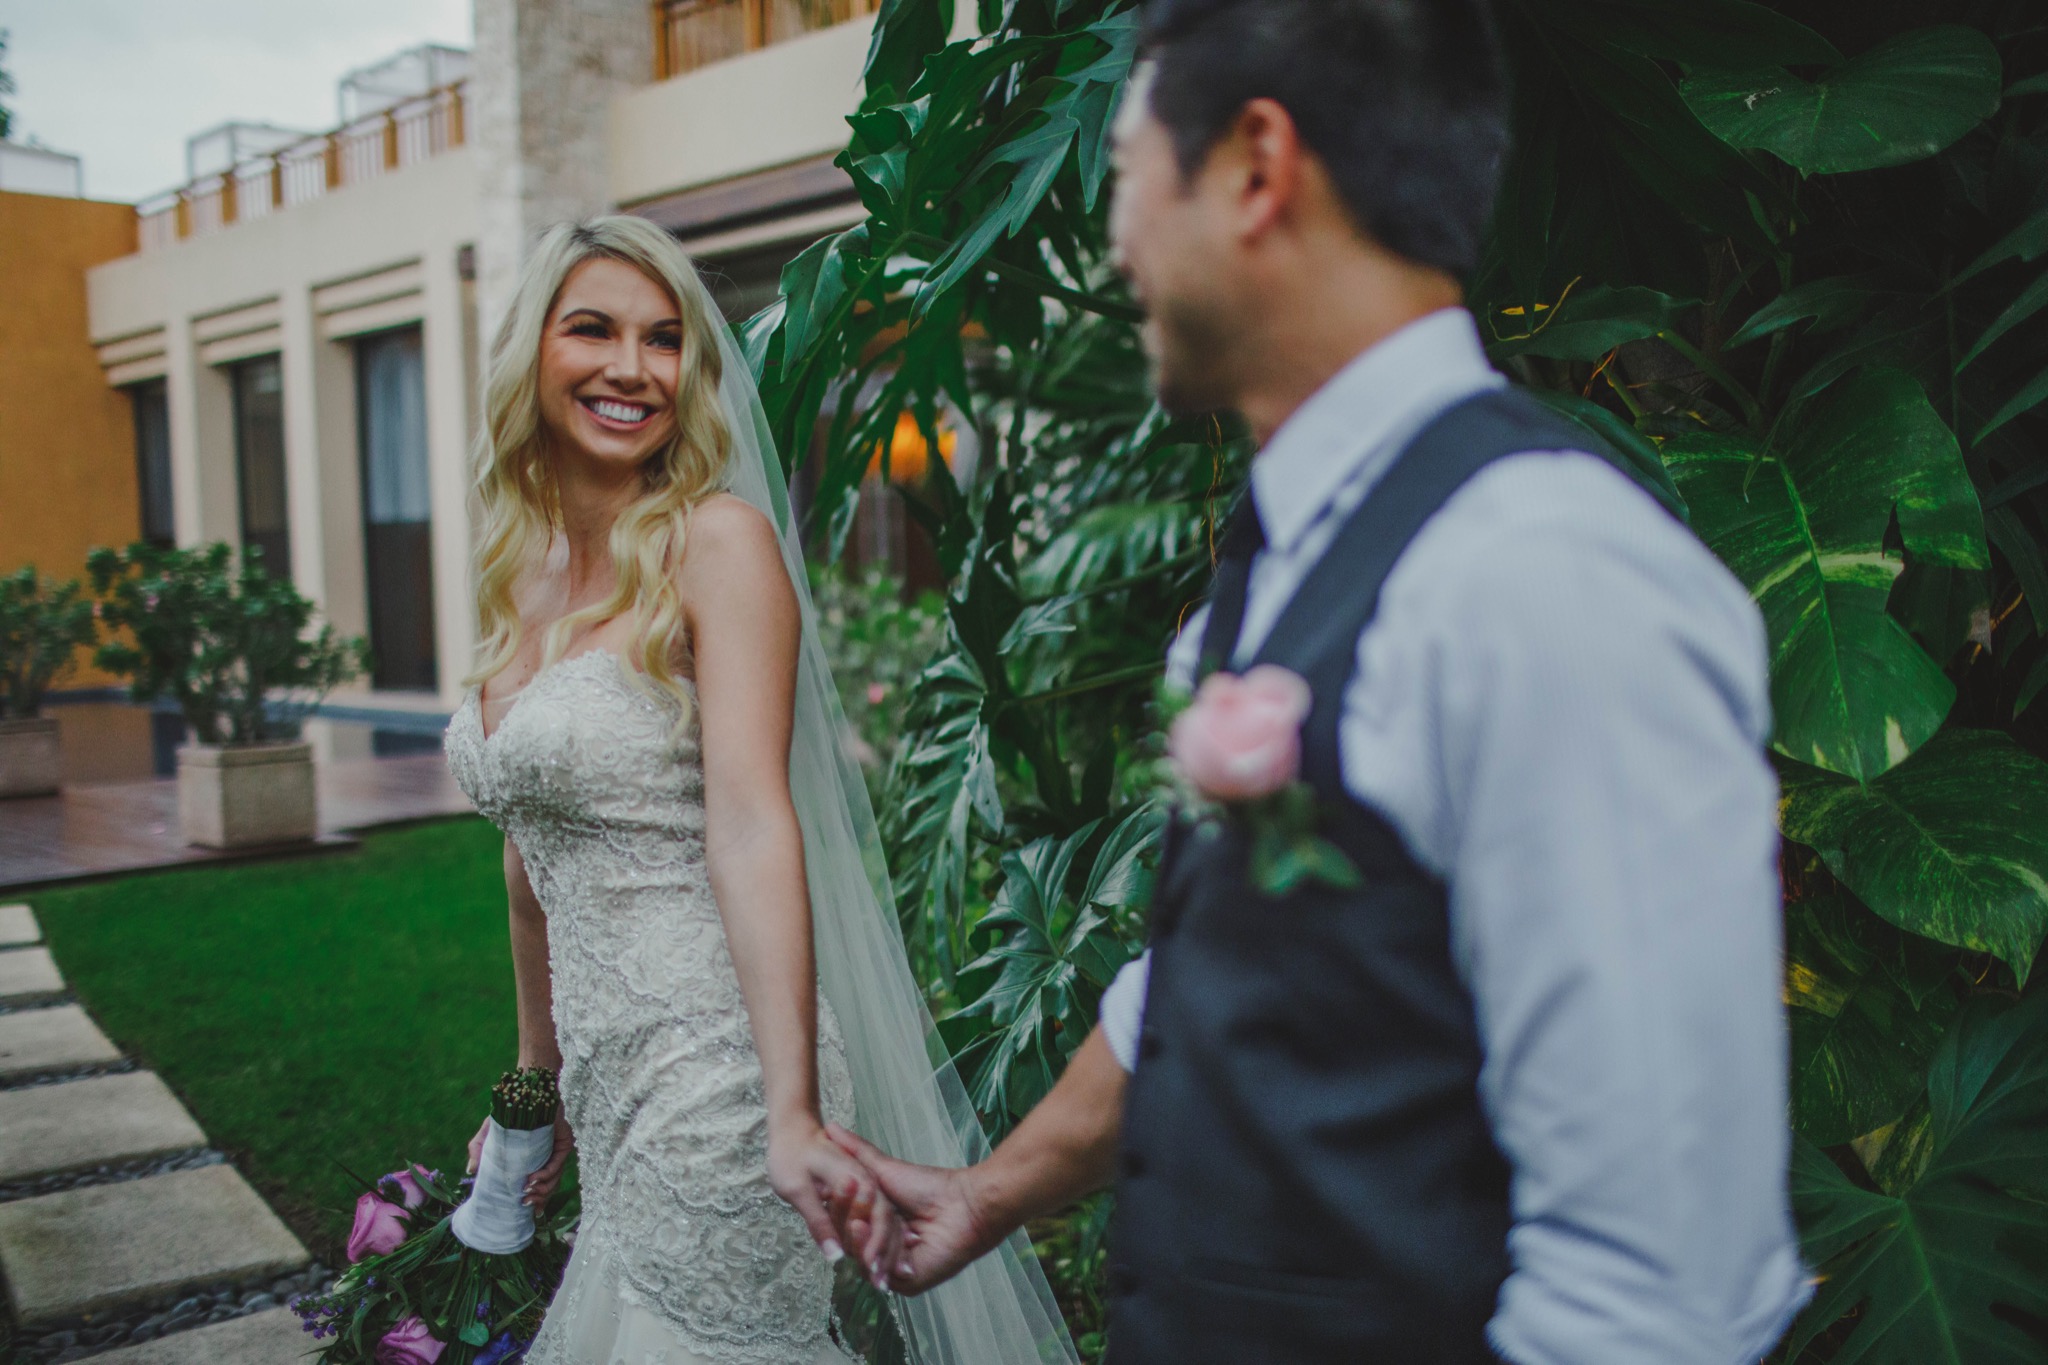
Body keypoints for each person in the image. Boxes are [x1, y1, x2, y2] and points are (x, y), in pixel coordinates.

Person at [826, 2, 1810, 1362]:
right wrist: (989, 1194)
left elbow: (1659, 1291)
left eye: (1123, 173)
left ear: (1255, 167)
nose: (1114, 242)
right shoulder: (1283, 565)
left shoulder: (1543, 579)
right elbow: (1222, 970)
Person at [445, 216, 1079, 1365]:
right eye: (592, 330)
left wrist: (789, 1109)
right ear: (530, 352)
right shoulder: (517, 573)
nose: (631, 369)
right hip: (607, 1076)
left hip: (719, 1068)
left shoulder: (715, 544)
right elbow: (527, 856)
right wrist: (534, 1087)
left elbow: (749, 821)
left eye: (663, 340)